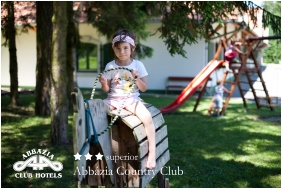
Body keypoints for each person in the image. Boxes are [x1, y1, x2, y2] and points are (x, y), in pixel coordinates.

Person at [99, 29, 156, 169]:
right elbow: (106, 90)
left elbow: (144, 88)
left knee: (147, 118)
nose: (122, 52)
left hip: (131, 100)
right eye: (118, 48)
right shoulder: (110, 66)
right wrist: (104, 84)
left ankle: (152, 153)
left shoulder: (137, 65)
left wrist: (136, 78)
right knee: (96, 112)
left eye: (125, 48)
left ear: (132, 48)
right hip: (113, 99)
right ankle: (98, 149)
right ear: (113, 49)